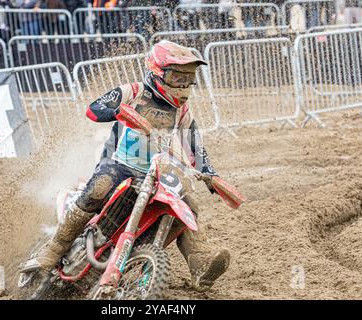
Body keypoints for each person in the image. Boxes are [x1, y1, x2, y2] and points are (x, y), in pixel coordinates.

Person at [35, 41, 231, 290]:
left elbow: (195, 146)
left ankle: (200, 263)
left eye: (188, 79)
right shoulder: (134, 91)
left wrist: (210, 174)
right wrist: (119, 110)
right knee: (100, 186)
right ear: (157, 73)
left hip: (157, 170)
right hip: (119, 163)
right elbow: (94, 109)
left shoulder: (182, 112)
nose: (183, 86)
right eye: (177, 78)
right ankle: (54, 249)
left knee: (188, 203)